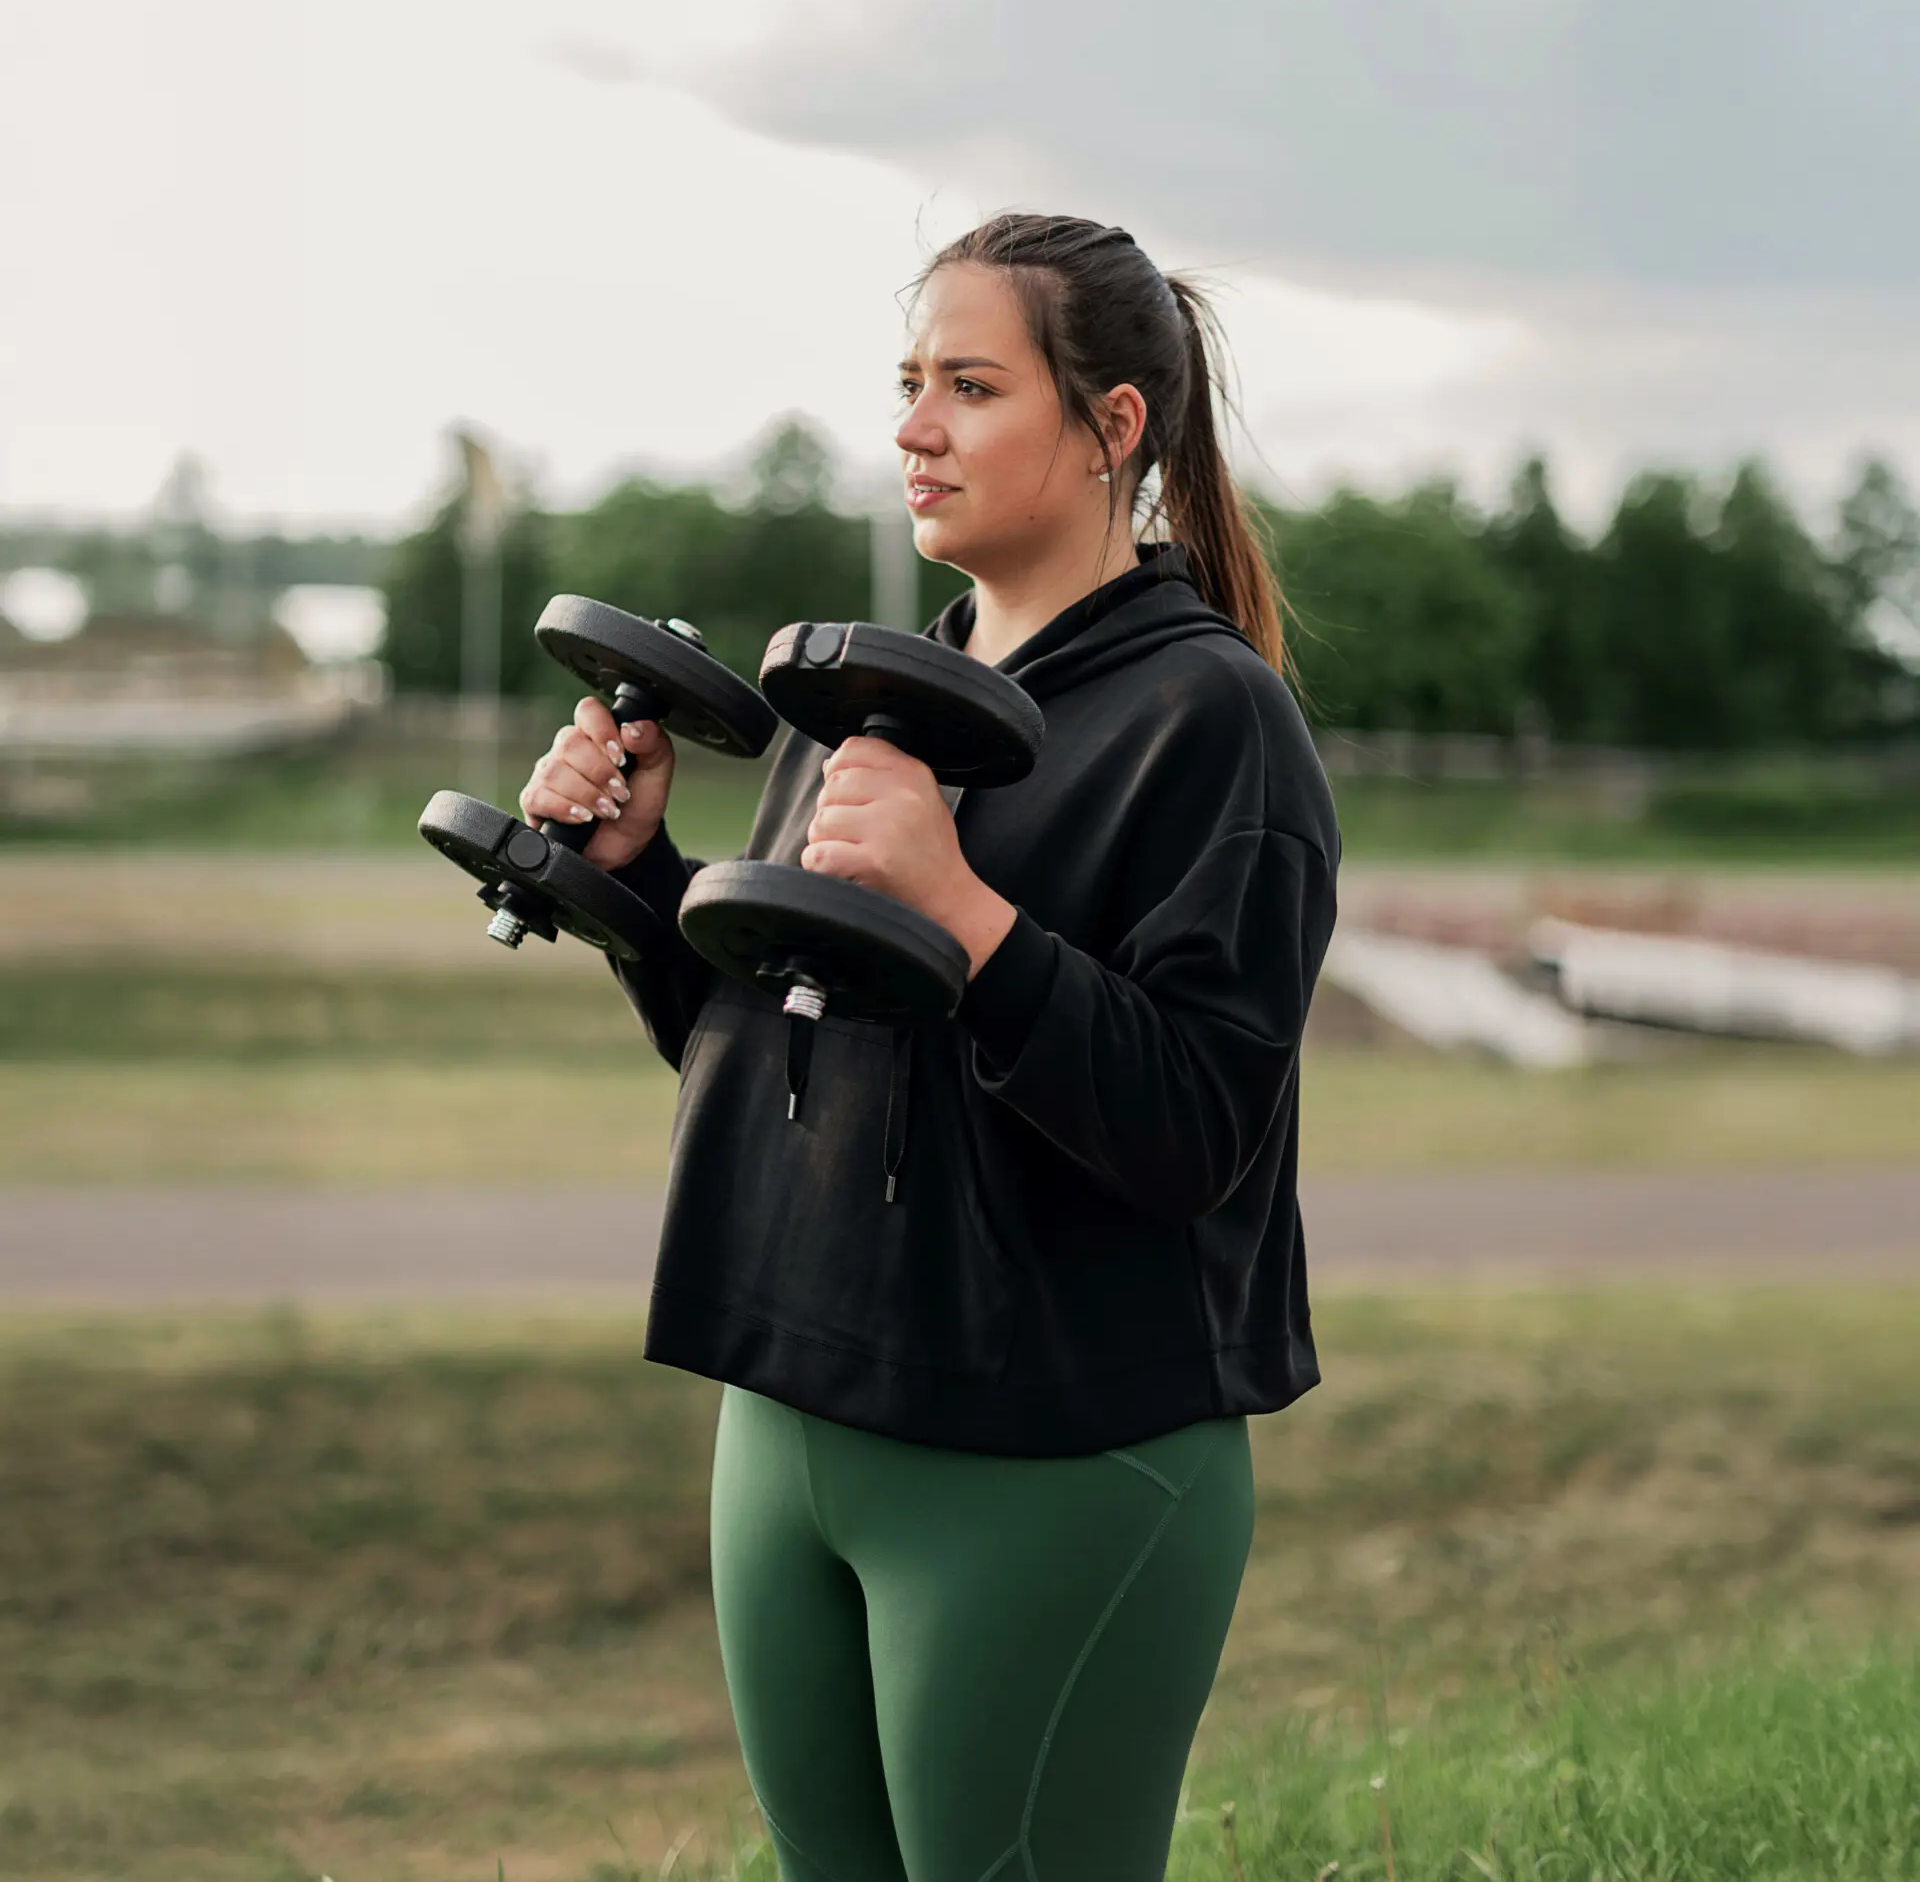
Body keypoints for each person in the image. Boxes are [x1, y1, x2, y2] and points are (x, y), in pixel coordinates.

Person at [518, 213, 1340, 1882]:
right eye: (908, 384)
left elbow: (1195, 1129)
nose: (913, 429)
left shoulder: (1213, 721)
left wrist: (965, 915)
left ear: (1115, 428)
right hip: (794, 1416)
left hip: (1054, 1451)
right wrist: (646, 892)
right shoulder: (866, 708)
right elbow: (778, 1057)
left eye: (971, 386)